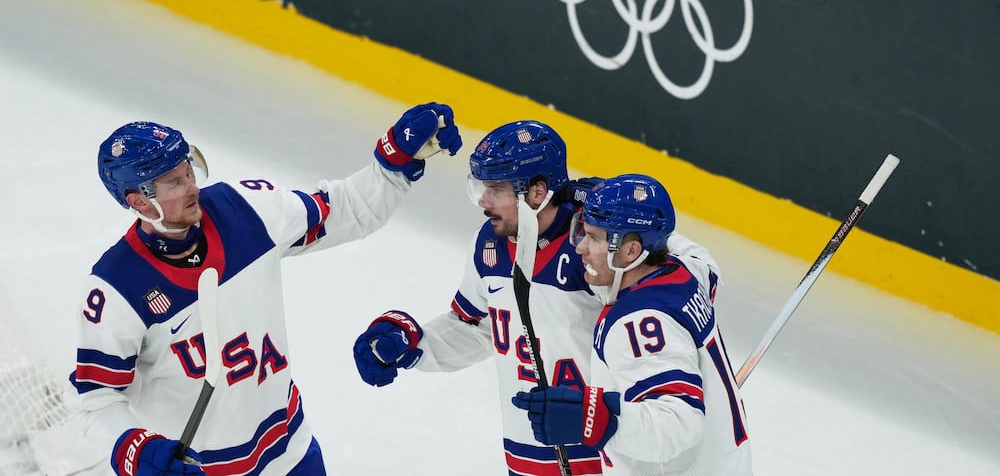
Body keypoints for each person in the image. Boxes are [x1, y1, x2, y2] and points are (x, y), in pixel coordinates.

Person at [72, 102, 462, 476]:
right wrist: (134, 450)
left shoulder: (245, 208)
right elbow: (96, 398)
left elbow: (345, 211)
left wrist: (394, 161)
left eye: (188, 170)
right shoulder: (116, 289)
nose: (192, 187)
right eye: (174, 182)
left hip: (292, 455)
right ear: (140, 202)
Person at [352, 120, 609, 475]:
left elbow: (691, 280)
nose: (483, 201)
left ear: (537, 192)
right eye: (481, 187)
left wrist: (630, 227)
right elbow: (478, 327)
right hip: (526, 455)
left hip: (608, 456)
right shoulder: (490, 245)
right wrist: (414, 344)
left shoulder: (593, 245)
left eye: (497, 189)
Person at [512, 174, 753, 475]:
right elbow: (702, 258)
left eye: (595, 238)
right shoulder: (687, 270)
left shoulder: (640, 323)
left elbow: (679, 424)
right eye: (582, 232)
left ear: (630, 252)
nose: (580, 248)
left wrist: (598, 420)